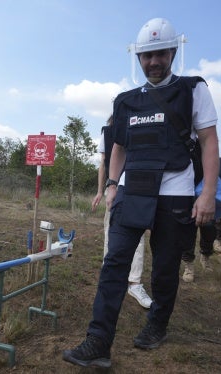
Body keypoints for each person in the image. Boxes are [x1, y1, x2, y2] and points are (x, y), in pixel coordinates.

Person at [63, 17, 219, 368]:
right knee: (113, 266)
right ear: (138, 58)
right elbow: (118, 147)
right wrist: (112, 185)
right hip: (132, 193)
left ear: (173, 52)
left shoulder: (193, 89)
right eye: (146, 56)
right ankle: (97, 342)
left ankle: (157, 325)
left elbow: (209, 141)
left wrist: (207, 192)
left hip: (176, 195)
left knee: (164, 270)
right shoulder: (125, 101)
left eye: (160, 54)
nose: (153, 62)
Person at [92, 115, 152, 308]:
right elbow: (104, 162)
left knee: (137, 234)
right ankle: (109, 276)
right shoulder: (108, 132)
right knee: (111, 231)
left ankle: (134, 282)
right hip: (115, 188)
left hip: (138, 187)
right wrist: (101, 190)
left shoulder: (143, 127)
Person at [182, 151, 221, 282]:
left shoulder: (211, 159)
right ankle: (189, 265)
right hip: (187, 199)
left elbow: (220, 187)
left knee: (208, 231)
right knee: (188, 234)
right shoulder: (182, 154)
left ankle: (205, 256)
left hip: (207, 201)